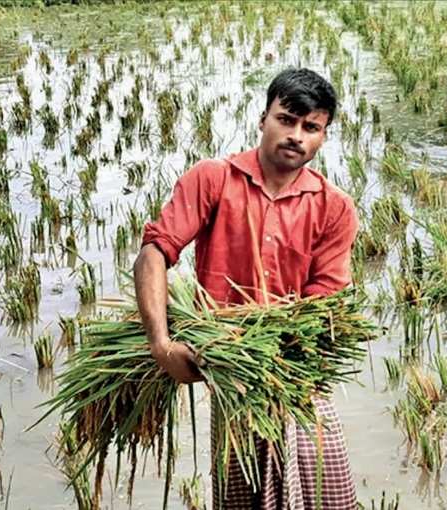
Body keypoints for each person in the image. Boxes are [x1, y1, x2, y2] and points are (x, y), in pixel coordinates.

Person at [134, 68, 359, 509]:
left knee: (325, 487)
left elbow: (325, 302)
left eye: (311, 127)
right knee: (244, 493)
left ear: (323, 136)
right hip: (231, 374)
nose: (296, 135)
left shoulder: (334, 207)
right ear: (263, 119)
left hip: (299, 374)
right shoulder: (213, 179)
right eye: (286, 120)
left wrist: (277, 352)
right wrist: (161, 344)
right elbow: (155, 252)